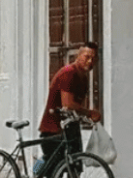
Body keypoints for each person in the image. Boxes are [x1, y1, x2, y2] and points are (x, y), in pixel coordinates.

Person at [36, 43, 101, 178]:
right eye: (87, 57)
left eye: (93, 58)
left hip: (69, 127)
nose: (90, 61)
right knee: (54, 170)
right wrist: (89, 113)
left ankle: (38, 168)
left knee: (74, 166)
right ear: (78, 55)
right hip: (53, 129)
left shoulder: (82, 75)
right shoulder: (69, 73)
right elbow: (68, 104)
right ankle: (37, 170)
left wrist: (85, 116)